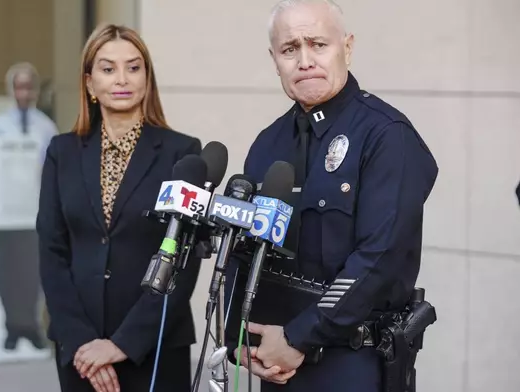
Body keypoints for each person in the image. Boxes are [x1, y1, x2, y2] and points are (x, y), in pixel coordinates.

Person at [224, 1, 439, 391]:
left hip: (351, 361)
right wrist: (237, 333)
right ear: (275, 60)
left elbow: (379, 258)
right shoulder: (267, 144)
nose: (305, 60)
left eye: (318, 44)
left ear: (347, 48)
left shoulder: (386, 135)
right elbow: (245, 245)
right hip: (275, 365)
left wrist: (298, 338)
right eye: (290, 49)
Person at [37, 24, 203, 392]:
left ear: (147, 77)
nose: (121, 79)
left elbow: (182, 262)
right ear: (89, 82)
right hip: (79, 353)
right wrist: (83, 343)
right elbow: (52, 252)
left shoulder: (183, 154)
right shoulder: (61, 153)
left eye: (133, 67)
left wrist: (122, 344)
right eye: (108, 69)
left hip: (154, 347)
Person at [0, 62, 58, 351]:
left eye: (29, 86)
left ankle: (30, 326)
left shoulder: (46, 126)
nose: (24, 92)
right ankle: (11, 327)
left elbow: (53, 168)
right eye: (19, 86)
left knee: (33, 271)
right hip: (7, 209)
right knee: (8, 271)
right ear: (11, 90)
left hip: (34, 209)